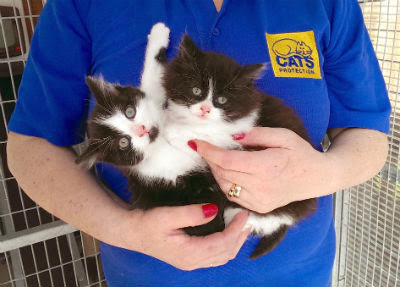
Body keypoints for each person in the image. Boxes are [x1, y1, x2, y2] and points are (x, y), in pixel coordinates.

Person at [6, 0, 390, 286]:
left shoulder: (328, 5)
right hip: (148, 276)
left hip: (297, 274)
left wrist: (320, 173)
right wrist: (126, 229)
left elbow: (368, 133)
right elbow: (29, 146)